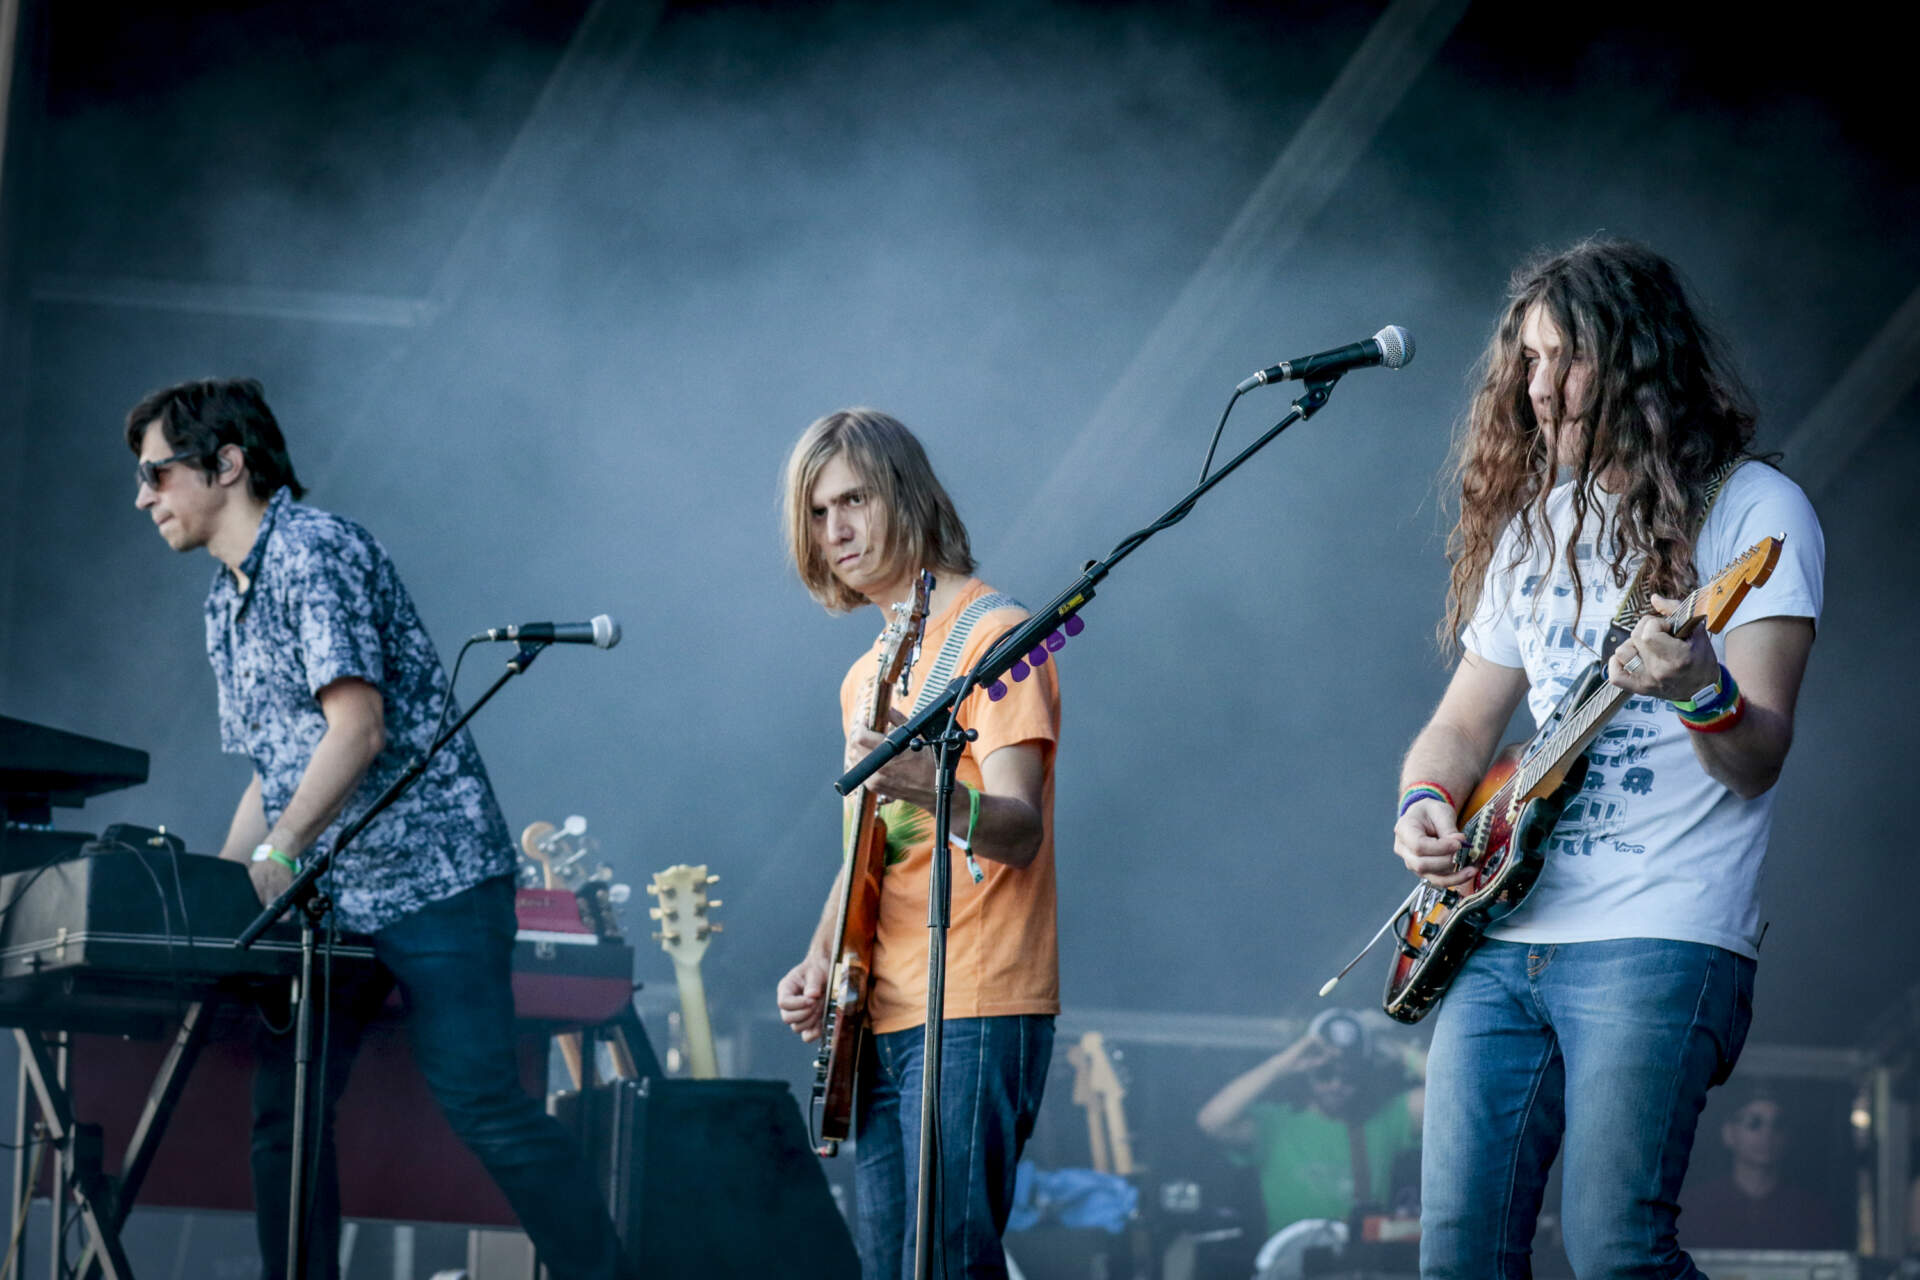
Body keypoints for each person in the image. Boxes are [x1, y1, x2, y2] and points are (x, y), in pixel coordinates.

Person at [1391, 240, 1824, 1278]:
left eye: (1567, 359)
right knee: (1457, 1254)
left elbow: (1758, 752)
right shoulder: (1535, 527)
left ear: (1640, 359)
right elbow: (1459, 726)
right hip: (1499, 930)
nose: (1539, 388)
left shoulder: (1755, 513)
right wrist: (1424, 800)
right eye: (1527, 361)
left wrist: (1697, 686)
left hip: (1660, 928)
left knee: (1616, 1247)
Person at [127, 378, 624, 1280]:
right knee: (286, 1114)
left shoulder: (315, 552)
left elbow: (357, 729)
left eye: (157, 473)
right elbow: (268, 774)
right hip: (335, 903)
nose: (143, 497)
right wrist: (222, 901)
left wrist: (280, 850)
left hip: (436, 879)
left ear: (227, 463)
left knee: (480, 1101)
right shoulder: (220, 601)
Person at [773, 408, 1061, 1279]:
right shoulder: (866, 674)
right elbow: (870, 842)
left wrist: (932, 787)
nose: (836, 532)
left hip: (976, 996)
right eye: (818, 514)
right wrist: (822, 956)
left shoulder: (995, 636)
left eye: (853, 500)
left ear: (905, 495)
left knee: (947, 1264)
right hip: (875, 1005)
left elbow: (1018, 827)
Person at [1196, 1008, 1423, 1234]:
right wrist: (1281, 1064)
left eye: (1349, 1077)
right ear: (1307, 1072)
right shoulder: (1275, 1122)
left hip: (1363, 1262)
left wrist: (1397, 1049)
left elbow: (1454, 1093)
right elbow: (1212, 1122)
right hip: (1290, 1262)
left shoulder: (1386, 1118)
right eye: (1325, 1073)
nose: (1336, 1084)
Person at [1683, 1080, 1851, 1249]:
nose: (1767, 1134)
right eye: (1754, 1123)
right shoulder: (1697, 1207)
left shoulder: (1810, 1213)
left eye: (1778, 1124)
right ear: (1729, 1133)